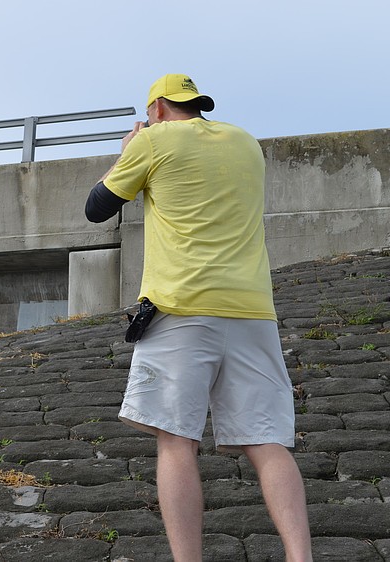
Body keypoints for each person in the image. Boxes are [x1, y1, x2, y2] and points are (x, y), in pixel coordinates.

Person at [85, 73, 313, 561]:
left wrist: (128, 150)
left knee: (176, 443)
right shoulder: (247, 143)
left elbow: (96, 208)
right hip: (252, 312)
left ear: (159, 108)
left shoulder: (153, 139)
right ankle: (301, 556)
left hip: (181, 310)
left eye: (148, 115)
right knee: (269, 442)